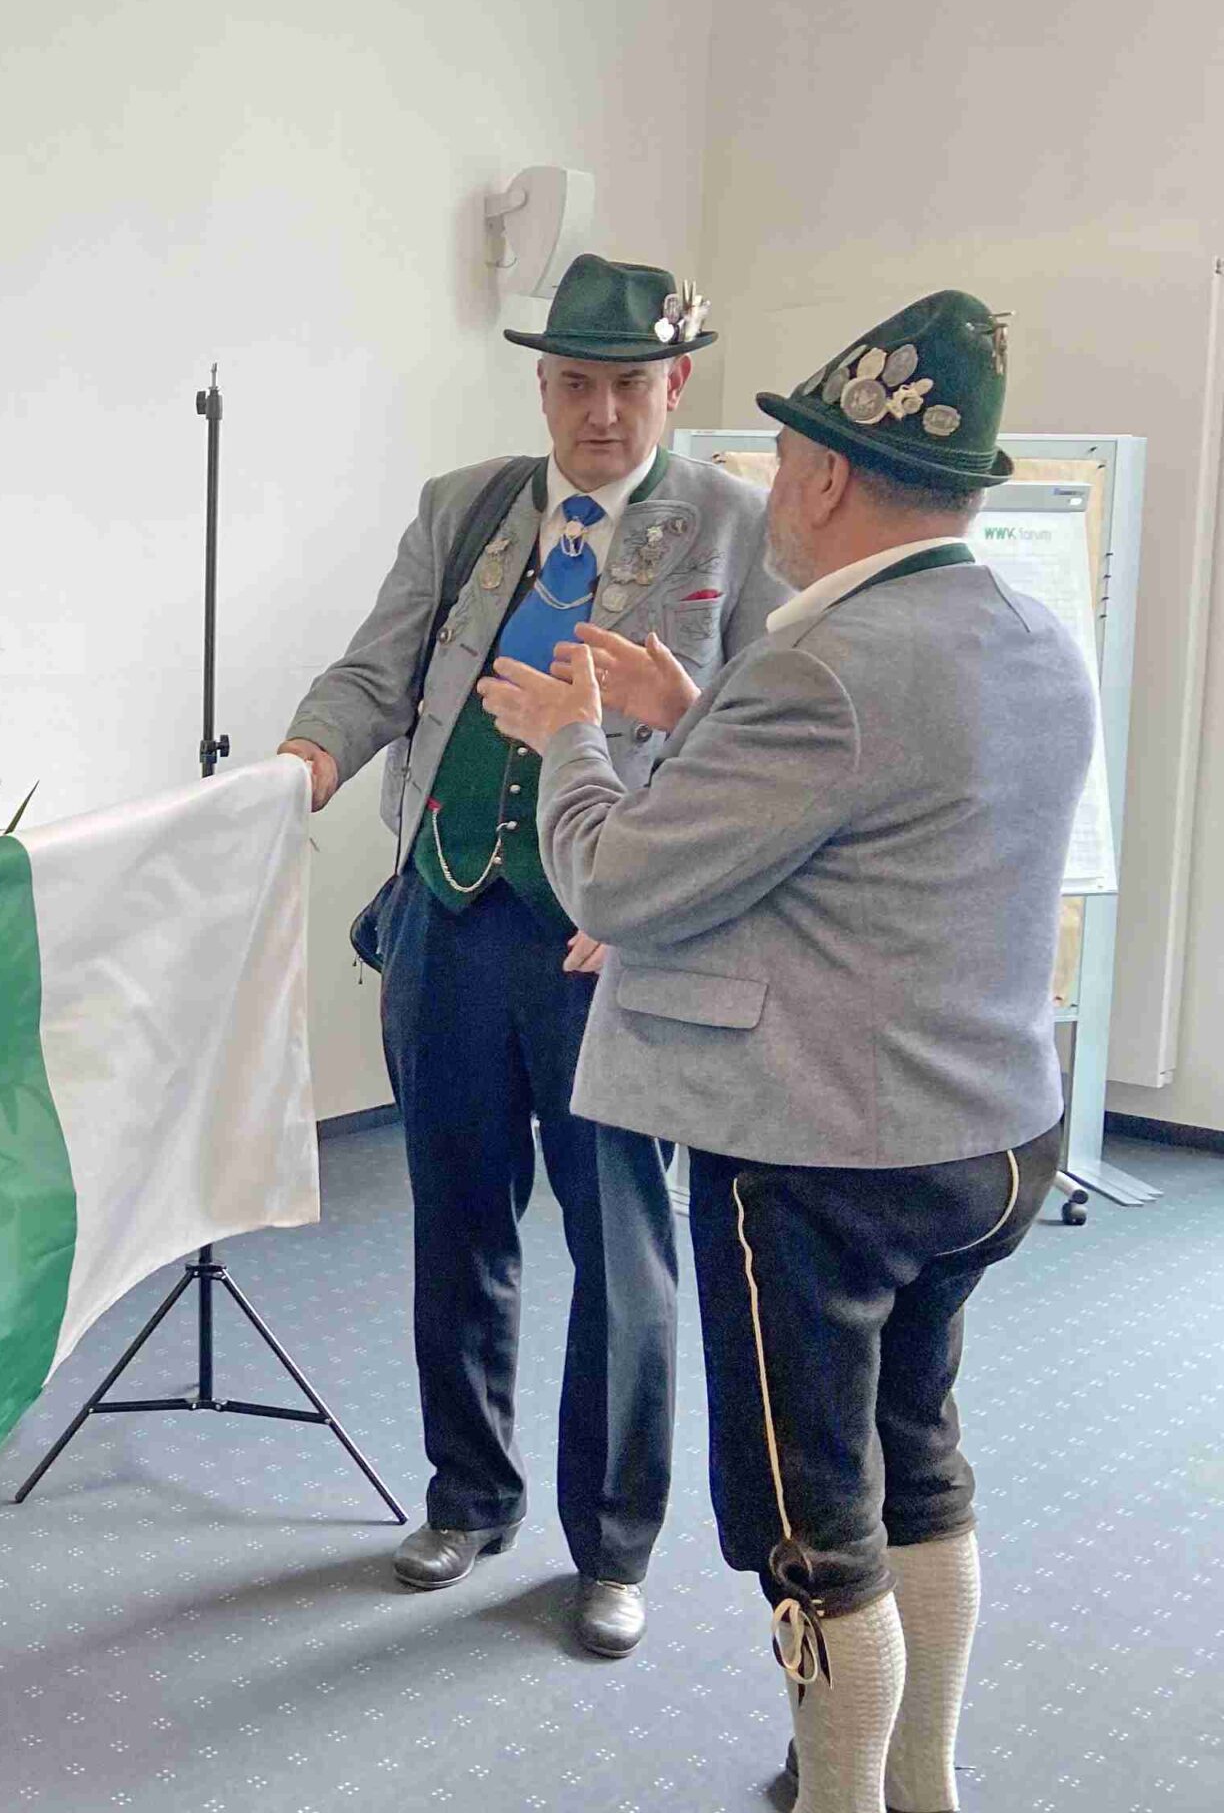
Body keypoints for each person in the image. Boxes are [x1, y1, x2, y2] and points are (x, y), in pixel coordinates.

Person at [479, 291, 1089, 1813]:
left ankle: (841, 1799)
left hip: (830, 1159)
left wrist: (571, 737)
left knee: (816, 1536)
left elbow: (618, 883)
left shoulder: (825, 665)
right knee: (918, 1463)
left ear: (821, 479)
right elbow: (878, 825)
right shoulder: (1031, 631)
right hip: (991, 1136)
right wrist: (694, 710)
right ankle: (924, 1786)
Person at [279, 254, 780, 1657]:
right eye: (575, 383)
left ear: (675, 384)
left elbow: (759, 751)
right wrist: (302, 763)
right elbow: (376, 672)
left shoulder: (736, 526)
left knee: (622, 1249)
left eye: (629, 385)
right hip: (447, 919)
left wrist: (660, 896)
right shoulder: (468, 507)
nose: (601, 414)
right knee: (456, 1222)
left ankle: (612, 1545)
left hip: (608, 948)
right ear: (543, 385)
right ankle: (468, 1496)